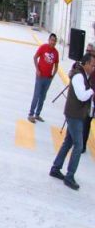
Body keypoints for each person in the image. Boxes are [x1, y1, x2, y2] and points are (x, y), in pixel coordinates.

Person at [50, 53, 94, 191]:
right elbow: (81, 96)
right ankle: (70, 176)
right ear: (85, 63)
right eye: (92, 65)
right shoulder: (79, 76)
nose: (93, 68)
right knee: (79, 145)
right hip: (74, 115)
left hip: (76, 115)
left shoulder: (84, 76)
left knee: (68, 142)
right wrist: (92, 90)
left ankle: (56, 168)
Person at [28, 34, 59, 123]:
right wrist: (37, 70)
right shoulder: (43, 47)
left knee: (43, 97)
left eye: (54, 41)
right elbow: (35, 57)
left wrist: (52, 76)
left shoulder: (56, 53)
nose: (53, 42)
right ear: (49, 40)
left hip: (48, 79)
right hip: (40, 77)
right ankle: (31, 114)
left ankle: (37, 114)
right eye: (51, 40)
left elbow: (56, 66)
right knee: (36, 95)